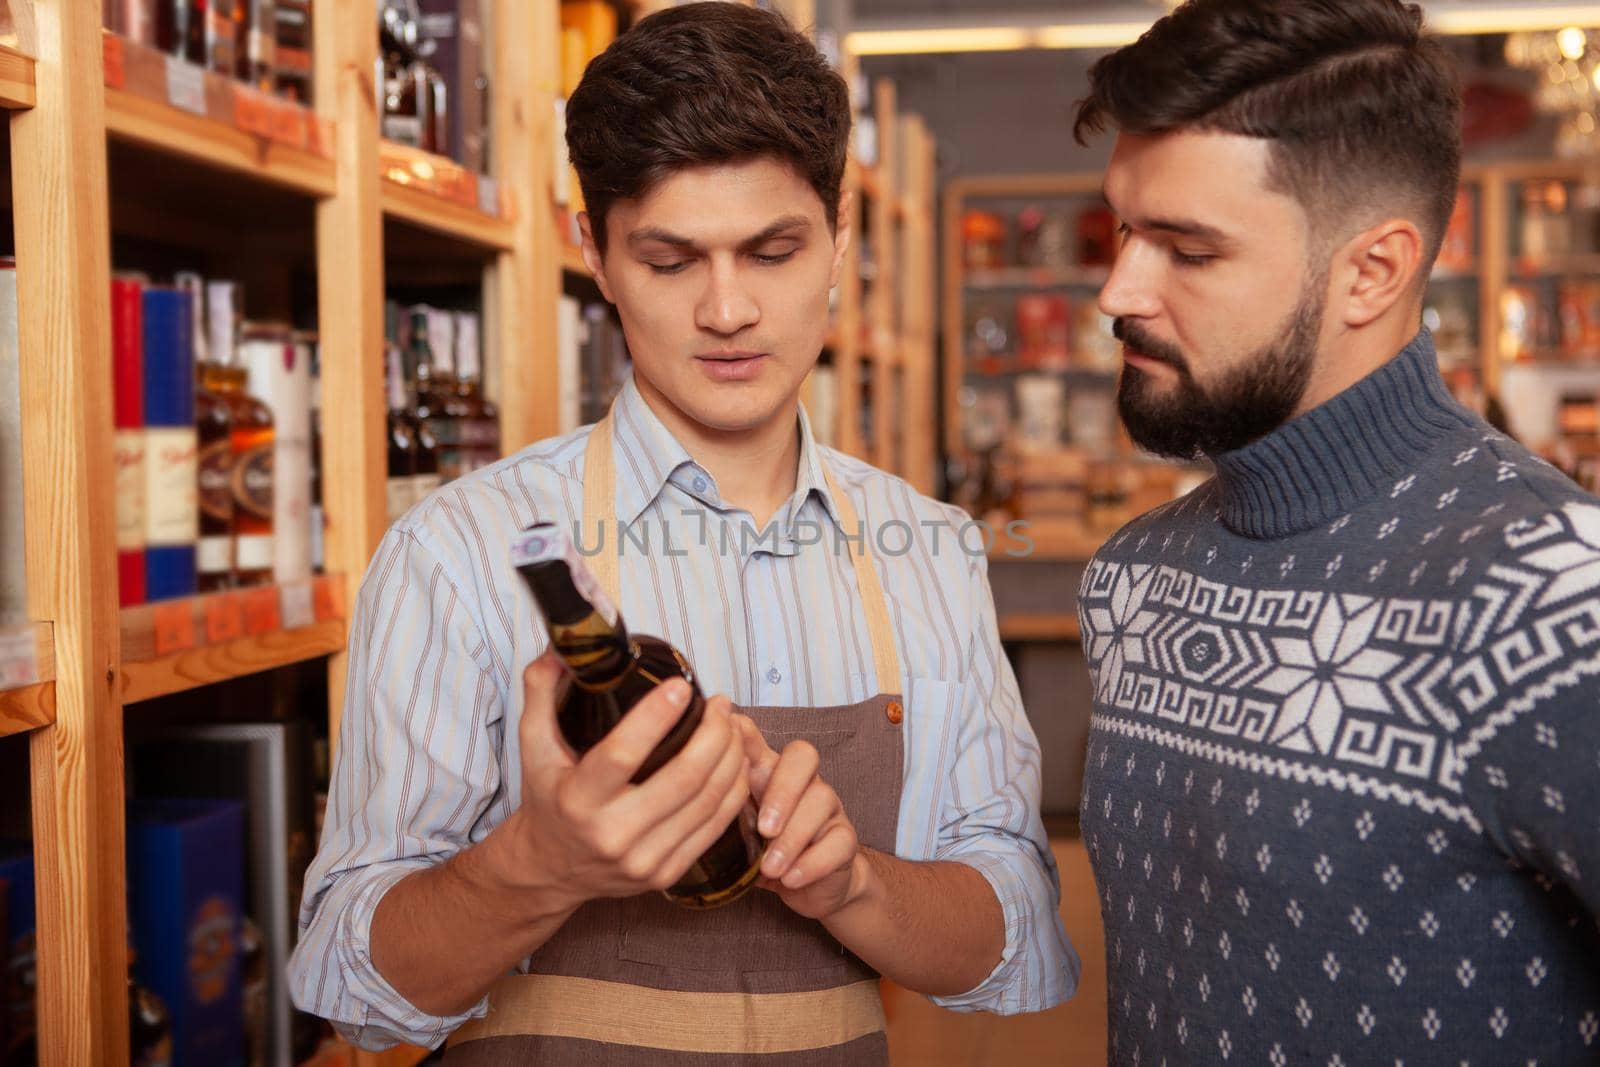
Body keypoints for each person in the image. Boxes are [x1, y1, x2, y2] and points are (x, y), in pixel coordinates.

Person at [287, 4, 1077, 1062]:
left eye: (773, 250)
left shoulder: (927, 546)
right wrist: (544, 859)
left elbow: (1014, 938)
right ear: (596, 256)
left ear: (839, 235)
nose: (728, 309)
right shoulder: (462, 549)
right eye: (669, 260)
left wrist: (855, 883)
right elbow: (352, 983)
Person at [1072, 1, 1600, 1063]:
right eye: (1127, 229)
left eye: (1185, 248)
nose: (1116, 290)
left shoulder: (1554, 596)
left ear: (1372, 271)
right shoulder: (1131, 582)